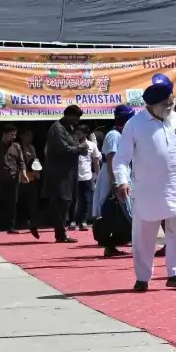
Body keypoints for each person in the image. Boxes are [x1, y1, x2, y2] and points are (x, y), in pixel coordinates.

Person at [113, 82, 176, 291]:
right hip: (147, 190)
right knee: (144, 236)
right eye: (168, 101)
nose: (171, 104)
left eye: (171, 101)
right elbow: (121, 158)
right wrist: (122, 181)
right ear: (154, 104)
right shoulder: (135, 124)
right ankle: (142, 277)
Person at [42, 106, 89, 244]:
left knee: (69, 202)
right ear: (68, 115)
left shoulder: (70, 129)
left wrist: (81, 148)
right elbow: (64, 149)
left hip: (70, 172)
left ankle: (62, 232)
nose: (77, 121)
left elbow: (75, 145)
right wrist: (80, 148)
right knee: (61, 202)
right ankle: (60, 234)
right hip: (58, 173)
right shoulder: (57, 129)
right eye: (76, 118)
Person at [93, 107, 134, 255]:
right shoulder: (114, 135)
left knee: (122, 210)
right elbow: (111, 160)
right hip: (112, 176)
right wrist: (114, 182)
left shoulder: (123, 134)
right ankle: (109, 245)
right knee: (112, 210)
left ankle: (114, 244)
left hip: (121, 174)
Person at [0, 126, 29, 236]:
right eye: (12, 134)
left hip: (13, 178)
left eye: (15, 135)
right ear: (5, 134)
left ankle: (10, 227)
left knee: (12, 204)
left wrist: (24, 174)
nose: (14, 137)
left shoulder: (16, 147)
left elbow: (21, 162)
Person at [70, 125, 98, 231]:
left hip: (86, 176)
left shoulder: (92, 145)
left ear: (85, 134)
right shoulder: (72, 145)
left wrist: (98, 175)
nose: (77, 136)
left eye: (79, 134)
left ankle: (84, 221)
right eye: (75, 134)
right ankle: (73, 221)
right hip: (74, 176)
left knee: (86, 200)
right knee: (74, 200)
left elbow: (95, 161)